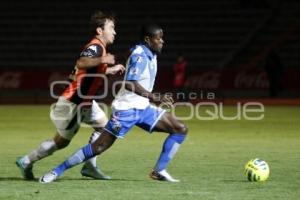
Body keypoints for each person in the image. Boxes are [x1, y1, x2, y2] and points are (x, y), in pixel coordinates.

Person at [39, 24, 188, 184]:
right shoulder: (140, 55)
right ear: (147, 39)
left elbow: (130, 55)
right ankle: (56, 171)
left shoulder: (148, 52)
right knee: (98, 147)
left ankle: (159, 171)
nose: (162, 41)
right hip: (127, 109)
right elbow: (130, 84)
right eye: (158, 38)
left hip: (143, 108)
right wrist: (155, 98)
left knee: (180, 129)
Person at [16, 11, 125, 180]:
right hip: (76, 102)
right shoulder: (95, 47)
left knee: (105, 128)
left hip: (86, 101)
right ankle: (26, 161)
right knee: (61, 142)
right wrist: (103, 60)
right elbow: (82, 62)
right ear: (99, 30)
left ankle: (90, 167)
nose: (114, 32)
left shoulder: (99, 49)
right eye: (111, 28)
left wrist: (110, 69)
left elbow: (84, 72)